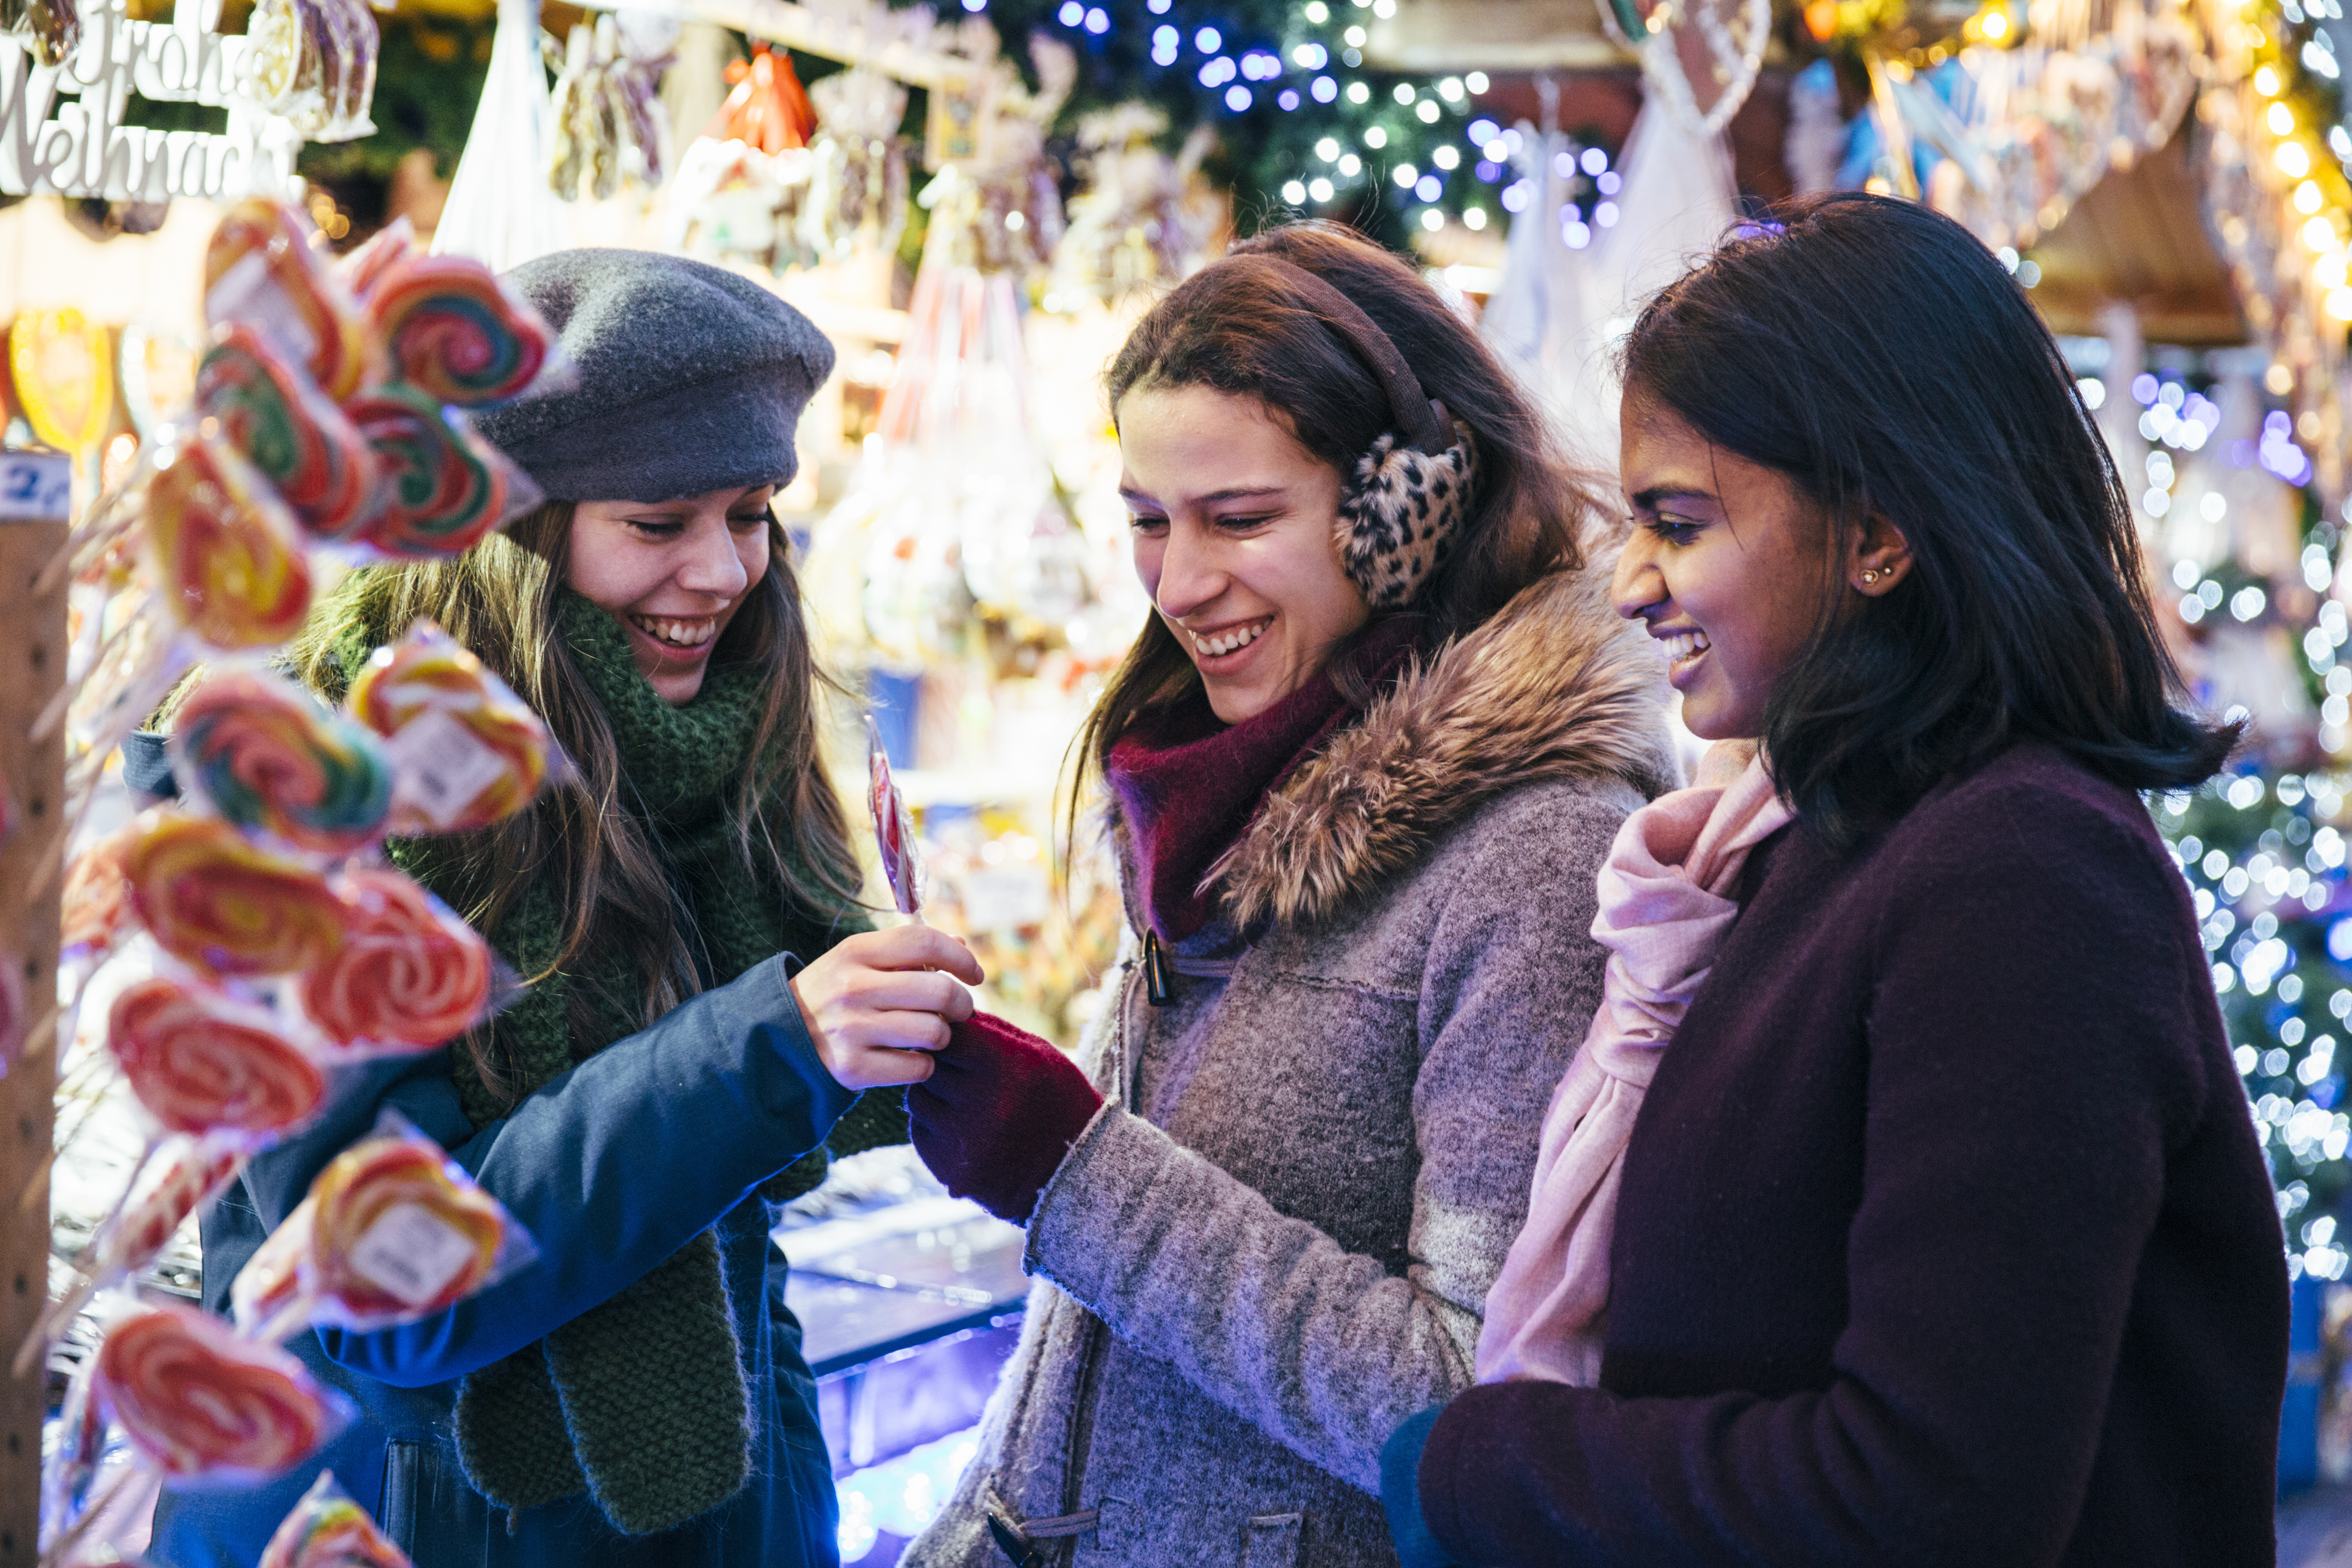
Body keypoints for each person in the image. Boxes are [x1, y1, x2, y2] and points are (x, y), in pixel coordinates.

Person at [1378, 193, 2288, 1567]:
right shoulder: (1820, 837)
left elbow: (1926, 1501)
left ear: (1877, 534)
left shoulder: (2022, 871)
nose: (1632, 583)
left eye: (1679, 523)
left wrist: (1487, 1465)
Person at [145, 250, 980, 1568]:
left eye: (755, 513)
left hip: (698, 1510)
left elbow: (731, 1250)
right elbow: (389, 1283)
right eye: (661, 523)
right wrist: (775, 1049)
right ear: (518, 532)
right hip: (401, 1511)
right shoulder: (296, 797)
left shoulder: (702, 751)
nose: (727, 571)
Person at [890, 222, 1677, 1568]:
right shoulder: (1206, 794)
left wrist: (1076, 1171)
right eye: (1149, 522)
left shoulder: (1536, 858)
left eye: (1240, 519)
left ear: (1406, 514)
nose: (1183, 585)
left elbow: (1473, 1403)